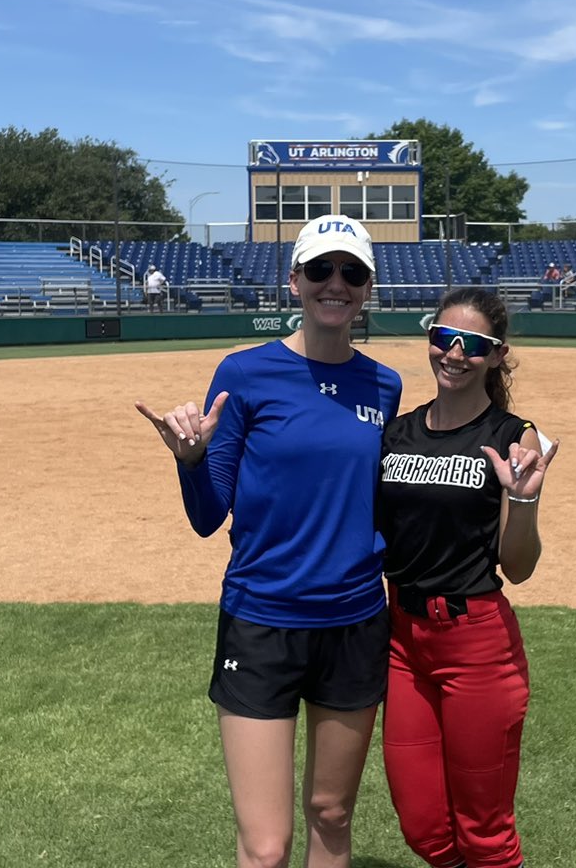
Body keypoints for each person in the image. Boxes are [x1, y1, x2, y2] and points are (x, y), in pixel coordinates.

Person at [135, 214, 402, 868]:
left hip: (354, 622)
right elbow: (208, 516)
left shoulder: (385, 385)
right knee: (265, 845)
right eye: (320, 269)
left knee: (332, 815)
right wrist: (191, 460)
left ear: (367, 288)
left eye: (352, 272)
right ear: (293, 281)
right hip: (262, 621)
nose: (335, 283)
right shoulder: (245, 373)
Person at [378, 286, 558, 868]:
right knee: (424, 826)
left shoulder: (513, 437)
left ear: (497, 354)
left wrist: (523, 501)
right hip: (402, 642)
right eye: (444, 337)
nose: (454, 354)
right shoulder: (396, 433)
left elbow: (519, 568)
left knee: (484, 830)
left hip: (477, 646)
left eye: (473, 344)